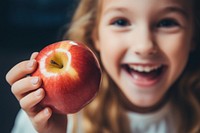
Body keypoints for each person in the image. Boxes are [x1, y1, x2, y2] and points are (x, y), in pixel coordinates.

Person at [6, 0, 200, 133]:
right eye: (121, 22)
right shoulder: (47, 118)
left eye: (167, 23)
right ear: (95, 35)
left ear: (193, 36)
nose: (144, 46)